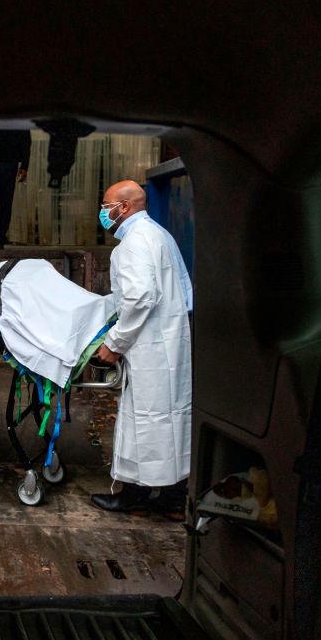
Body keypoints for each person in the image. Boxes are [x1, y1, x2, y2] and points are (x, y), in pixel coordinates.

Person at [89, 180, 193, 518]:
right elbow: (183, 291)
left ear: (124, 207)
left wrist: (114, 344)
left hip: (149, 345)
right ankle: (172, 497)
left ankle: (138, 495)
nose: (102, 214)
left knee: (147, 420)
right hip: (168, 340)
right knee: (167, 419)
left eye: (106, 207)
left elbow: (139, 298)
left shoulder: (134, 243)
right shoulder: (160, 235)